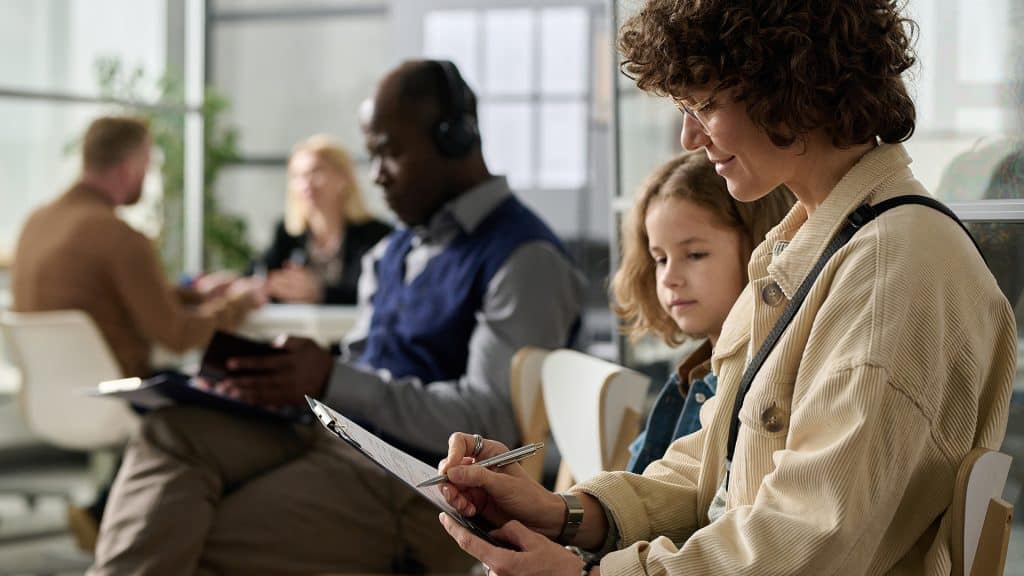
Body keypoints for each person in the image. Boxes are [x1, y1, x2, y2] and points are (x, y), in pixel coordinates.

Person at [435, 1, 1018, 574]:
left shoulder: (893, 268)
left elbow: (809, 540)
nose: (689, 137)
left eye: (706, 105)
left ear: (795, 84)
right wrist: (563, 512)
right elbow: (716, 469)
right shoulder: (810, 249)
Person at [88, 59, 585, 575]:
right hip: (336, 436)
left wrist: (331, 378)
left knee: (189, 535)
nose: (376, 175)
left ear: (455, 138)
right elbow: (365, 364)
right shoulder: (395, 250)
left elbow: (493, 426)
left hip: (420, 484)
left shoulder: (524, 258)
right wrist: (282, 385)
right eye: (371, 155)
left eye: (390, 152)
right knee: (170, 431)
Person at [11, 115, 262, 551]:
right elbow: (178, 335)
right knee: (222, 395)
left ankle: (103, 510)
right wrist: (242, 301)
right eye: (149, 162)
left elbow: (112, 292)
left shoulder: (36, 223)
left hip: (51, 397)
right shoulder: (120, 236)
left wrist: (191, 293)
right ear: (129, 166)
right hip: (117, 395)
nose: (149, 176)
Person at [614, 151, 793, 474]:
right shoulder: (689, 378)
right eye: (660, 259)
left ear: (762, 246)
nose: (670, 277)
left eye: (694, 254)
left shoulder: (768, 390)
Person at [252, 134, 392, 304]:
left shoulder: (377, 235)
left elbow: (381, 292)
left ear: (343, 178)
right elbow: (260, 274)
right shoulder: (287, 233)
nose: (306, 184)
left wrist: (321, 292)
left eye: (315, 171)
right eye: (297, 176)